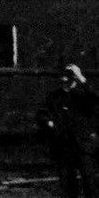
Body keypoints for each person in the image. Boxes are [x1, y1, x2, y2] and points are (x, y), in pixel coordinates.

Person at [40, 64, 99, 198]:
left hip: (83, 146)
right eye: (63, 81)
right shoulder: (55, 97)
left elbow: (95, 98)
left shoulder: (83, 96)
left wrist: (80, 77)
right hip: (64, 146)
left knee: (90, 183)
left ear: (74, 81)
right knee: (68, 186)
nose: (66, 84)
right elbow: (42, 113)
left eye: (69, 81)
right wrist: (49, 122)